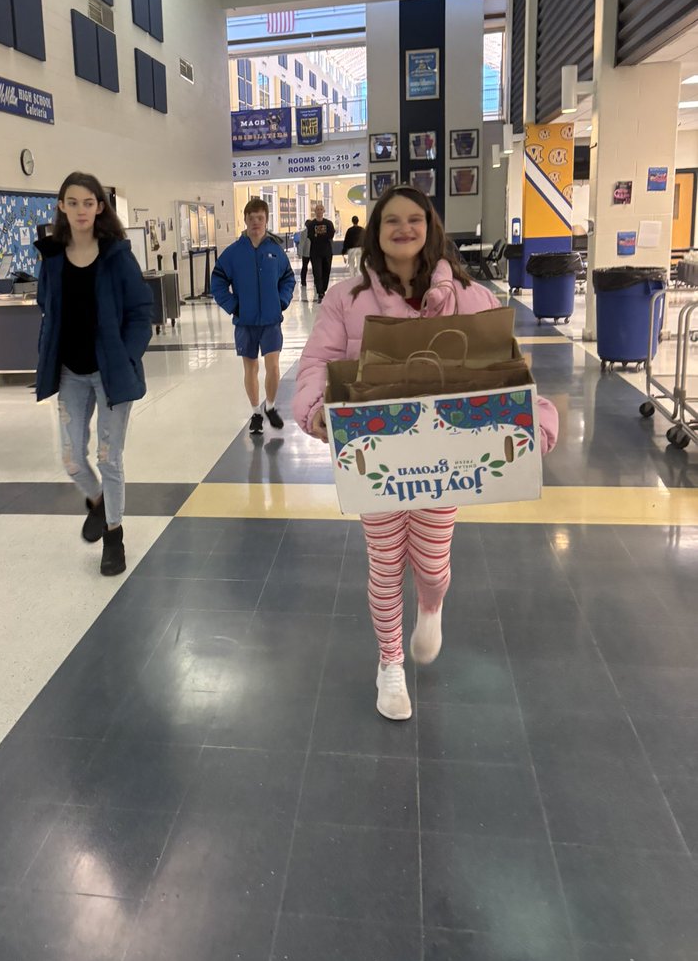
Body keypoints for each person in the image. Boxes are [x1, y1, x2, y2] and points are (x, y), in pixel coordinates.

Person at [294, 186, 559, 721]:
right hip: (378, 457)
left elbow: (505, 367)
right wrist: (316, 408)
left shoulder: (467, 294)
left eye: (414, 219)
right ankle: (389, 664)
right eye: (391, 220)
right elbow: (316, 363)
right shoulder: (346, 299)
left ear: (430, 226)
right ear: (375, 230)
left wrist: (538, 419)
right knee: (385, 562)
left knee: (432, 565)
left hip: (449, 459)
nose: (403, 228)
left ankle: (433, 604)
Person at [35, 172, 153, 576]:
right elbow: (45, 305)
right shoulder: (51, 257)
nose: (81, 210)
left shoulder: (116, 255)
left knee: (109, 458)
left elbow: (141, 312)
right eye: (73, 202)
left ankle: (114, 537)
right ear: (62, 207)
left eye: (89, 202)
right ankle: (100, 504)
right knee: (71, 459)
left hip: (111, 373)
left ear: (100, 207)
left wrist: (125, 354)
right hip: (69, 371)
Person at [211, 197, 296, 434]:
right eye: (251, 218)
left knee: (273, 366)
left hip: (270, 321)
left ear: (266, 220)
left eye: (260, 218)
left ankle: (270, 406)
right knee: (251, 369)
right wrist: (233, 306)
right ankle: (255, 413)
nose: (256, 222)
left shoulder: (275, 251)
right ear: (245, 220)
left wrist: (281, 301)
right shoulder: (233, 253)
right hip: (245, 322)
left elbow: (288, 278)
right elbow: (217, 281)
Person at [306, 202, 335, 301]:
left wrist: (318, 236)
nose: (319, 211)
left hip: (327, 252)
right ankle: (320, 293)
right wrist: (322, 236)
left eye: (320, 209)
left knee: (326, 271)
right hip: (315, 253)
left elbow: (330, 235)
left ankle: (323, 289)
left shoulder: (328, 223)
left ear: (324, 211)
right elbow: (310, 236)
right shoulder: (311, 224)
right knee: (317, 272)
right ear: (314, 212)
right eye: (317, 209)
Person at [298, 225, 311, 291]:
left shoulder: (313, 231)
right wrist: (300, 253)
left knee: (305, 267)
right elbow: (301, 243)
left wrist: (300, 253)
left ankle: (303, 282)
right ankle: (303, 281)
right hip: (307, 253)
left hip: (310, 253)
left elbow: (301, 243)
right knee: (305, 267)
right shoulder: (304, 233)